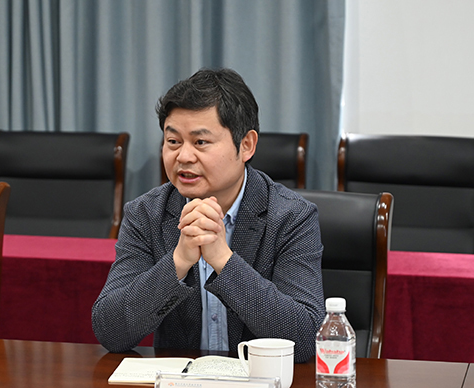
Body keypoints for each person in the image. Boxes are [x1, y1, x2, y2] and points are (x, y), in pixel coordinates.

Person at [92, 68, 325, 362]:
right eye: (173, 141)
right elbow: (110, 331)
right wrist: (178, 261)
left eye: (200, 142)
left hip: (258, 384)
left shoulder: (291, 217)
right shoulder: (146, 214)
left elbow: (305, 339)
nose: (183, 156)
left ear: (247, 145)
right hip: (180, 387)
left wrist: (223, 260)